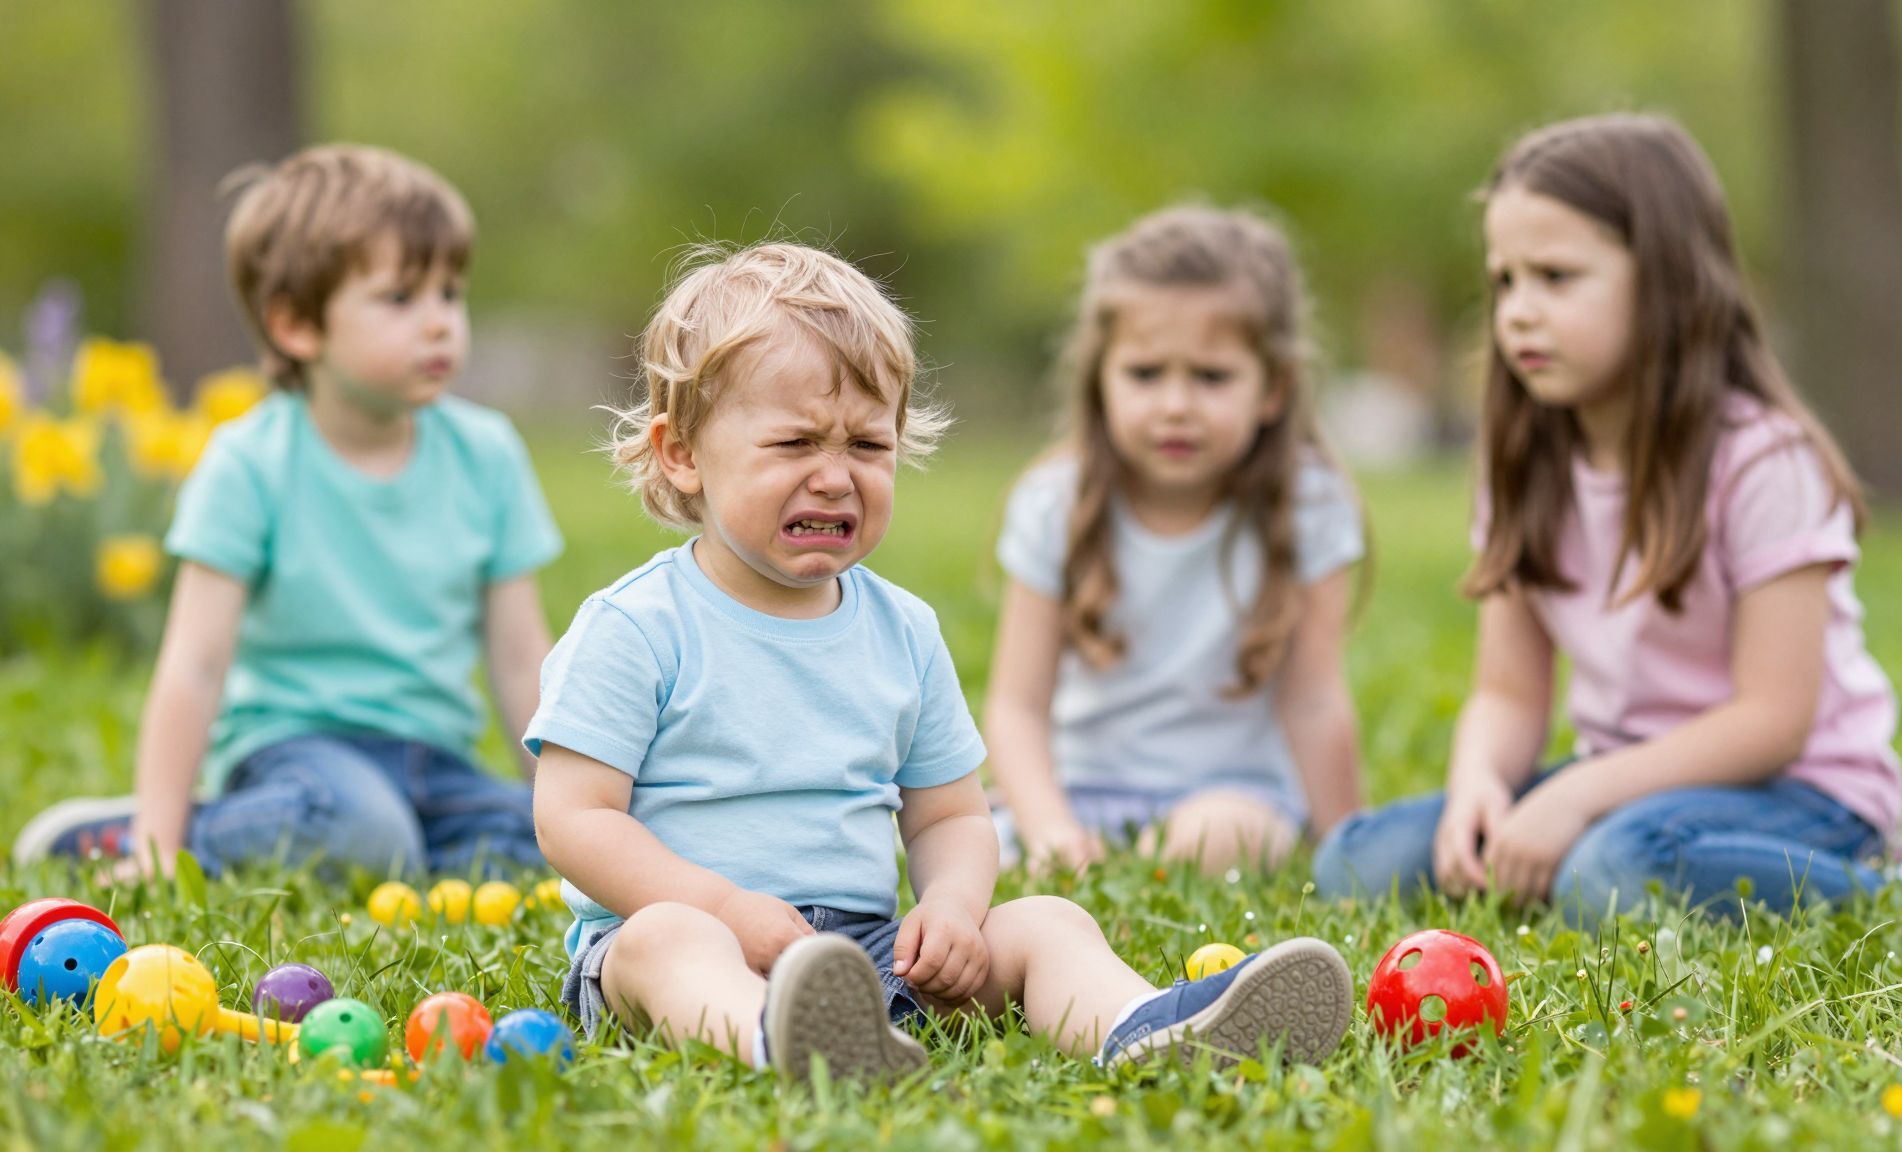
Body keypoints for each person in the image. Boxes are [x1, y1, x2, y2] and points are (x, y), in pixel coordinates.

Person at [529, 241, 1354, 1082]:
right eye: (795, 443)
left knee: (1046, 922)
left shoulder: (903, 631)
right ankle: (776, 1040)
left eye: (867, 445)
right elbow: (573, 818)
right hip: (674, 940)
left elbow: (949, 816)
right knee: (670, 941)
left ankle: (1141, 1027)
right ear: (682, 454)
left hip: (863, 957)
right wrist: (723, 907)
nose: (834, 477)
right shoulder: (638, 626)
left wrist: (954, 908)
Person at [1312, 113, 1902, 920]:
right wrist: (1477, 786)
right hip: (1629, 782)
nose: (1518, 311)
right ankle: (1606, 855)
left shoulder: (1762, 461)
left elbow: (1773, 722)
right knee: (1360, 860)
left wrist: (1577, 797)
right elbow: (1509, 693)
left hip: (1800, 792)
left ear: (1666, 282)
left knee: (1614, 871)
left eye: (1555, 277)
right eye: (1505, 281)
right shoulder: (1522, 461)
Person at [11, 145, 560, 880]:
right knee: (364, 831)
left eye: (450, 293)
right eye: (402, 298)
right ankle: (140, 835)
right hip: (297, 753)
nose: (440, 324)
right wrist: (156, 842)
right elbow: (194, 666)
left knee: (547, 844)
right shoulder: (251, 463)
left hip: (435, 767)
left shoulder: (487, 455)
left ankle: (396, 845)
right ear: (297, 325)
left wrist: (563, 813)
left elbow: (522, 660)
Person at [983, 205, 1367, 877]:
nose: (1176, 406)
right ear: (1101, 380)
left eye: (1212, 377)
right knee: (954, 845)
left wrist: (1350, 854)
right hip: (1081, 793)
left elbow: (1315, 702)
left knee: (1215, 840)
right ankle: (1087, 855)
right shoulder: (1056, 502)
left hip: (1233, 798)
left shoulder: (1310, 503)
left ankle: (1138, 865)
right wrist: (1051, 831)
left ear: (1272, 389)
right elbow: (1017, 707)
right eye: (1145, 374)